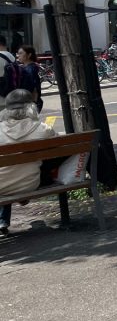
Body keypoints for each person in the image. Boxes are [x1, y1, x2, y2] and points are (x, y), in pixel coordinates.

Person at [0, 89, 58, 235]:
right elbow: (60, 146)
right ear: (32, 107)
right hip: (30, 183)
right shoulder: (42, 129)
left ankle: (2, 221)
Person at [15, 45, 42, 112]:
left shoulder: (30, 69)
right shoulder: (26, 67)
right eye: (18, 53)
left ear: (29, 55)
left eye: (21, 53)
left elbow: (32, 88)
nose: (18, 56)